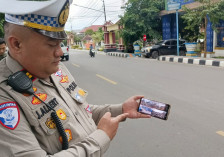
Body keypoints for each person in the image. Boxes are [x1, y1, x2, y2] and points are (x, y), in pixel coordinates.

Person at [0, 0, 150, 156]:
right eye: (52, 45)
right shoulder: (4, 94)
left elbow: (78, 112)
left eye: (60, 44)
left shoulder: (56, 69)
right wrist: (101, 138)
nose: (60, 53)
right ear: (17, 44)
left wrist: (121, 109)